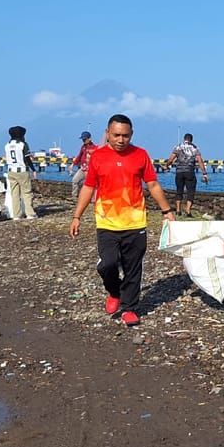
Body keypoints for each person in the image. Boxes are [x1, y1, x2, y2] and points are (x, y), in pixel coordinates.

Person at [68, 114, 176, 326]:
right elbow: (88, 187)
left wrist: (167, 211)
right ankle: (114, 291)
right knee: (107, 265)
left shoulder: (140, 155)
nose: (120, 140)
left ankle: (129, 308)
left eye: (125, 136)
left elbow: (152, 185)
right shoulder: (98, 156)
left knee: (133, 267)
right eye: (116, 135)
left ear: (131, 135)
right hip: (107, 222)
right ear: (107, 133)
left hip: (135, 223)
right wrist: (76, 216)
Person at [165, 132, 208, 217]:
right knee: (190, 191)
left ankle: (178, 210)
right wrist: (204, 173)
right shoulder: (195, 148)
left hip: (179, 172)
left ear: (184, 139)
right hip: (189, 172)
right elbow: (200, 161)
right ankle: (188, 210)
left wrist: (167, 165)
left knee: (179, 191)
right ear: (191, 140)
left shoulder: (178, 147)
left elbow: (171, 159)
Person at [3, 125, 38, 220]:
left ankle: (17, 215)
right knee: (27, 193)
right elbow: (27, 159)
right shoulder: (23, 144)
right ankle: (30, 214)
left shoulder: (7, 145)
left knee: (15, 194)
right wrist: (34, 169)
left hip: (11, 171)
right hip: (22, 171)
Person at [68, 131, 98, 199]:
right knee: (75, 180)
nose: (83, 141)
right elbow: (79, 156)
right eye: (83, 139)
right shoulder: (83, 147)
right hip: (82, 168)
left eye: (85, 139)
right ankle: (74, 196)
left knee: (91, 185)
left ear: (89, 138)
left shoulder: (95, 148)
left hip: (90, 170)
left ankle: (92, 199)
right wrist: (73, 164)